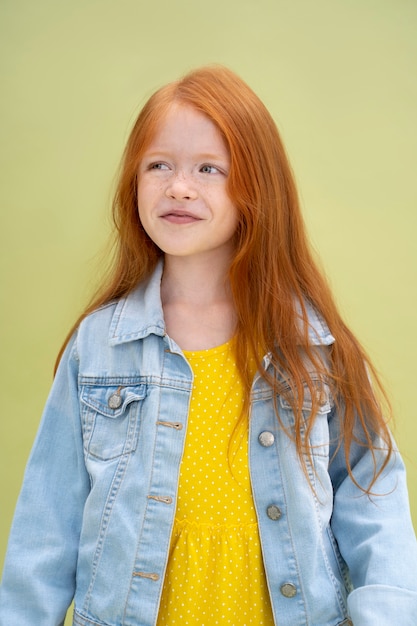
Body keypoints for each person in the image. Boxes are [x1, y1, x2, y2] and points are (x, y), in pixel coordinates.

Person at [0, 65, 416, 626]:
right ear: (134, 182)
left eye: (208, 168)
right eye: (158, 165)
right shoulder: (98, 347)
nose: (178, 186)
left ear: (257, 188)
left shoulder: (314, 345)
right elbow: (43, 532)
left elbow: (374, 495)